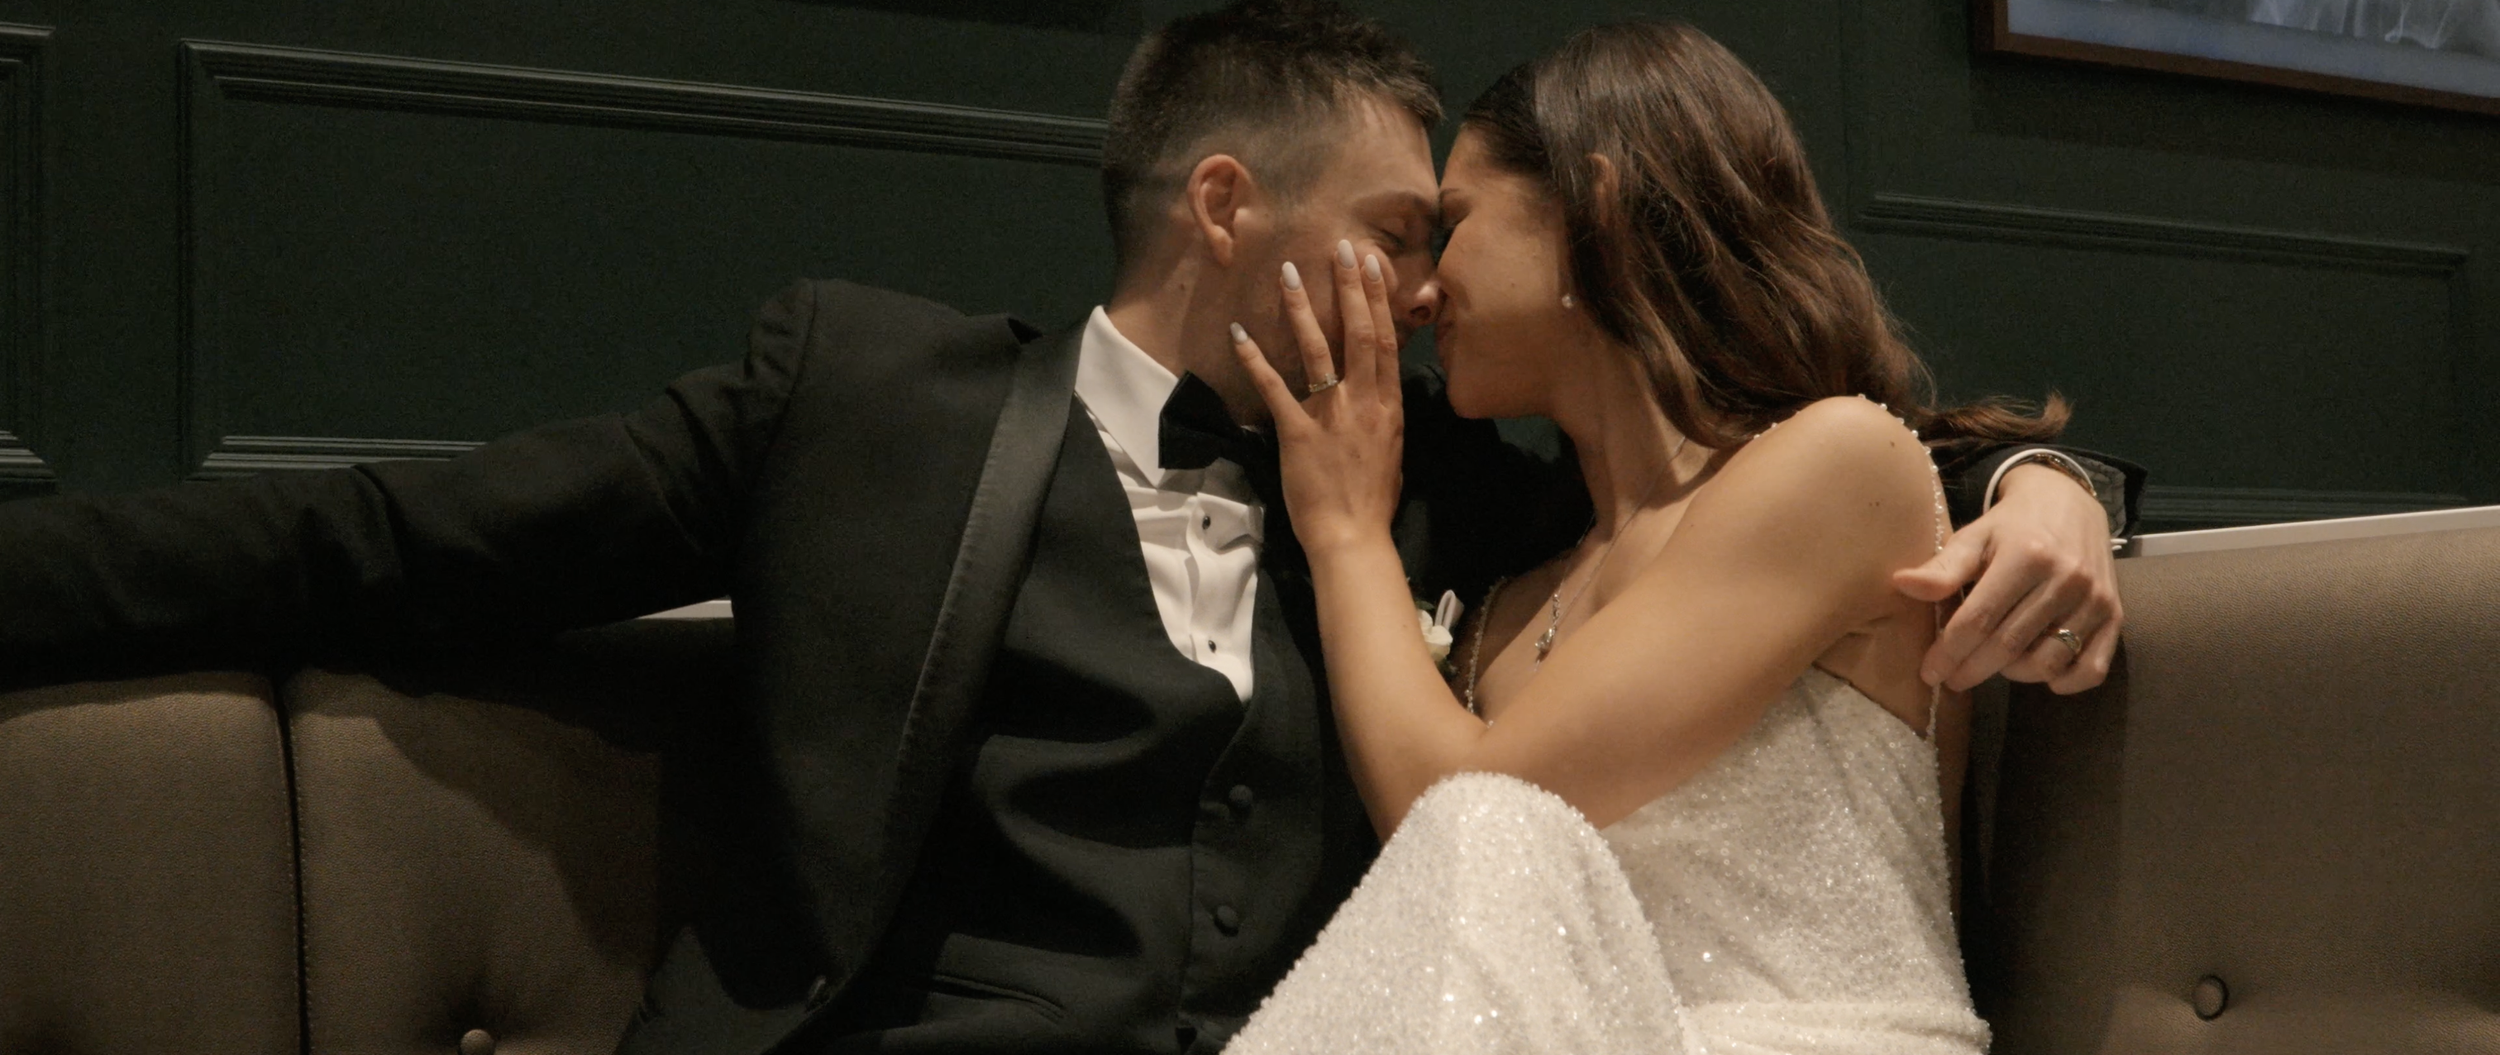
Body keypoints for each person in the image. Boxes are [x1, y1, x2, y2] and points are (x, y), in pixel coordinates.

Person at [0, 2, 2134, 1052]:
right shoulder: (855, 397)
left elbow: (1850, 467)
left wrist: (2065, 487)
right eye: (1394, 235)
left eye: (1439, 247)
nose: (1411, 293)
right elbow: (386, 543)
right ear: (1226, 203)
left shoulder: (1430, 502)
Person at [1221, 19, 2041, 1055]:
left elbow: (1463, 816)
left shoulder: (1834, 462)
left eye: (1457, 222)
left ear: (1593, 212)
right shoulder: (1520, 580)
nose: (1420, 294)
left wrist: (1344, 535)